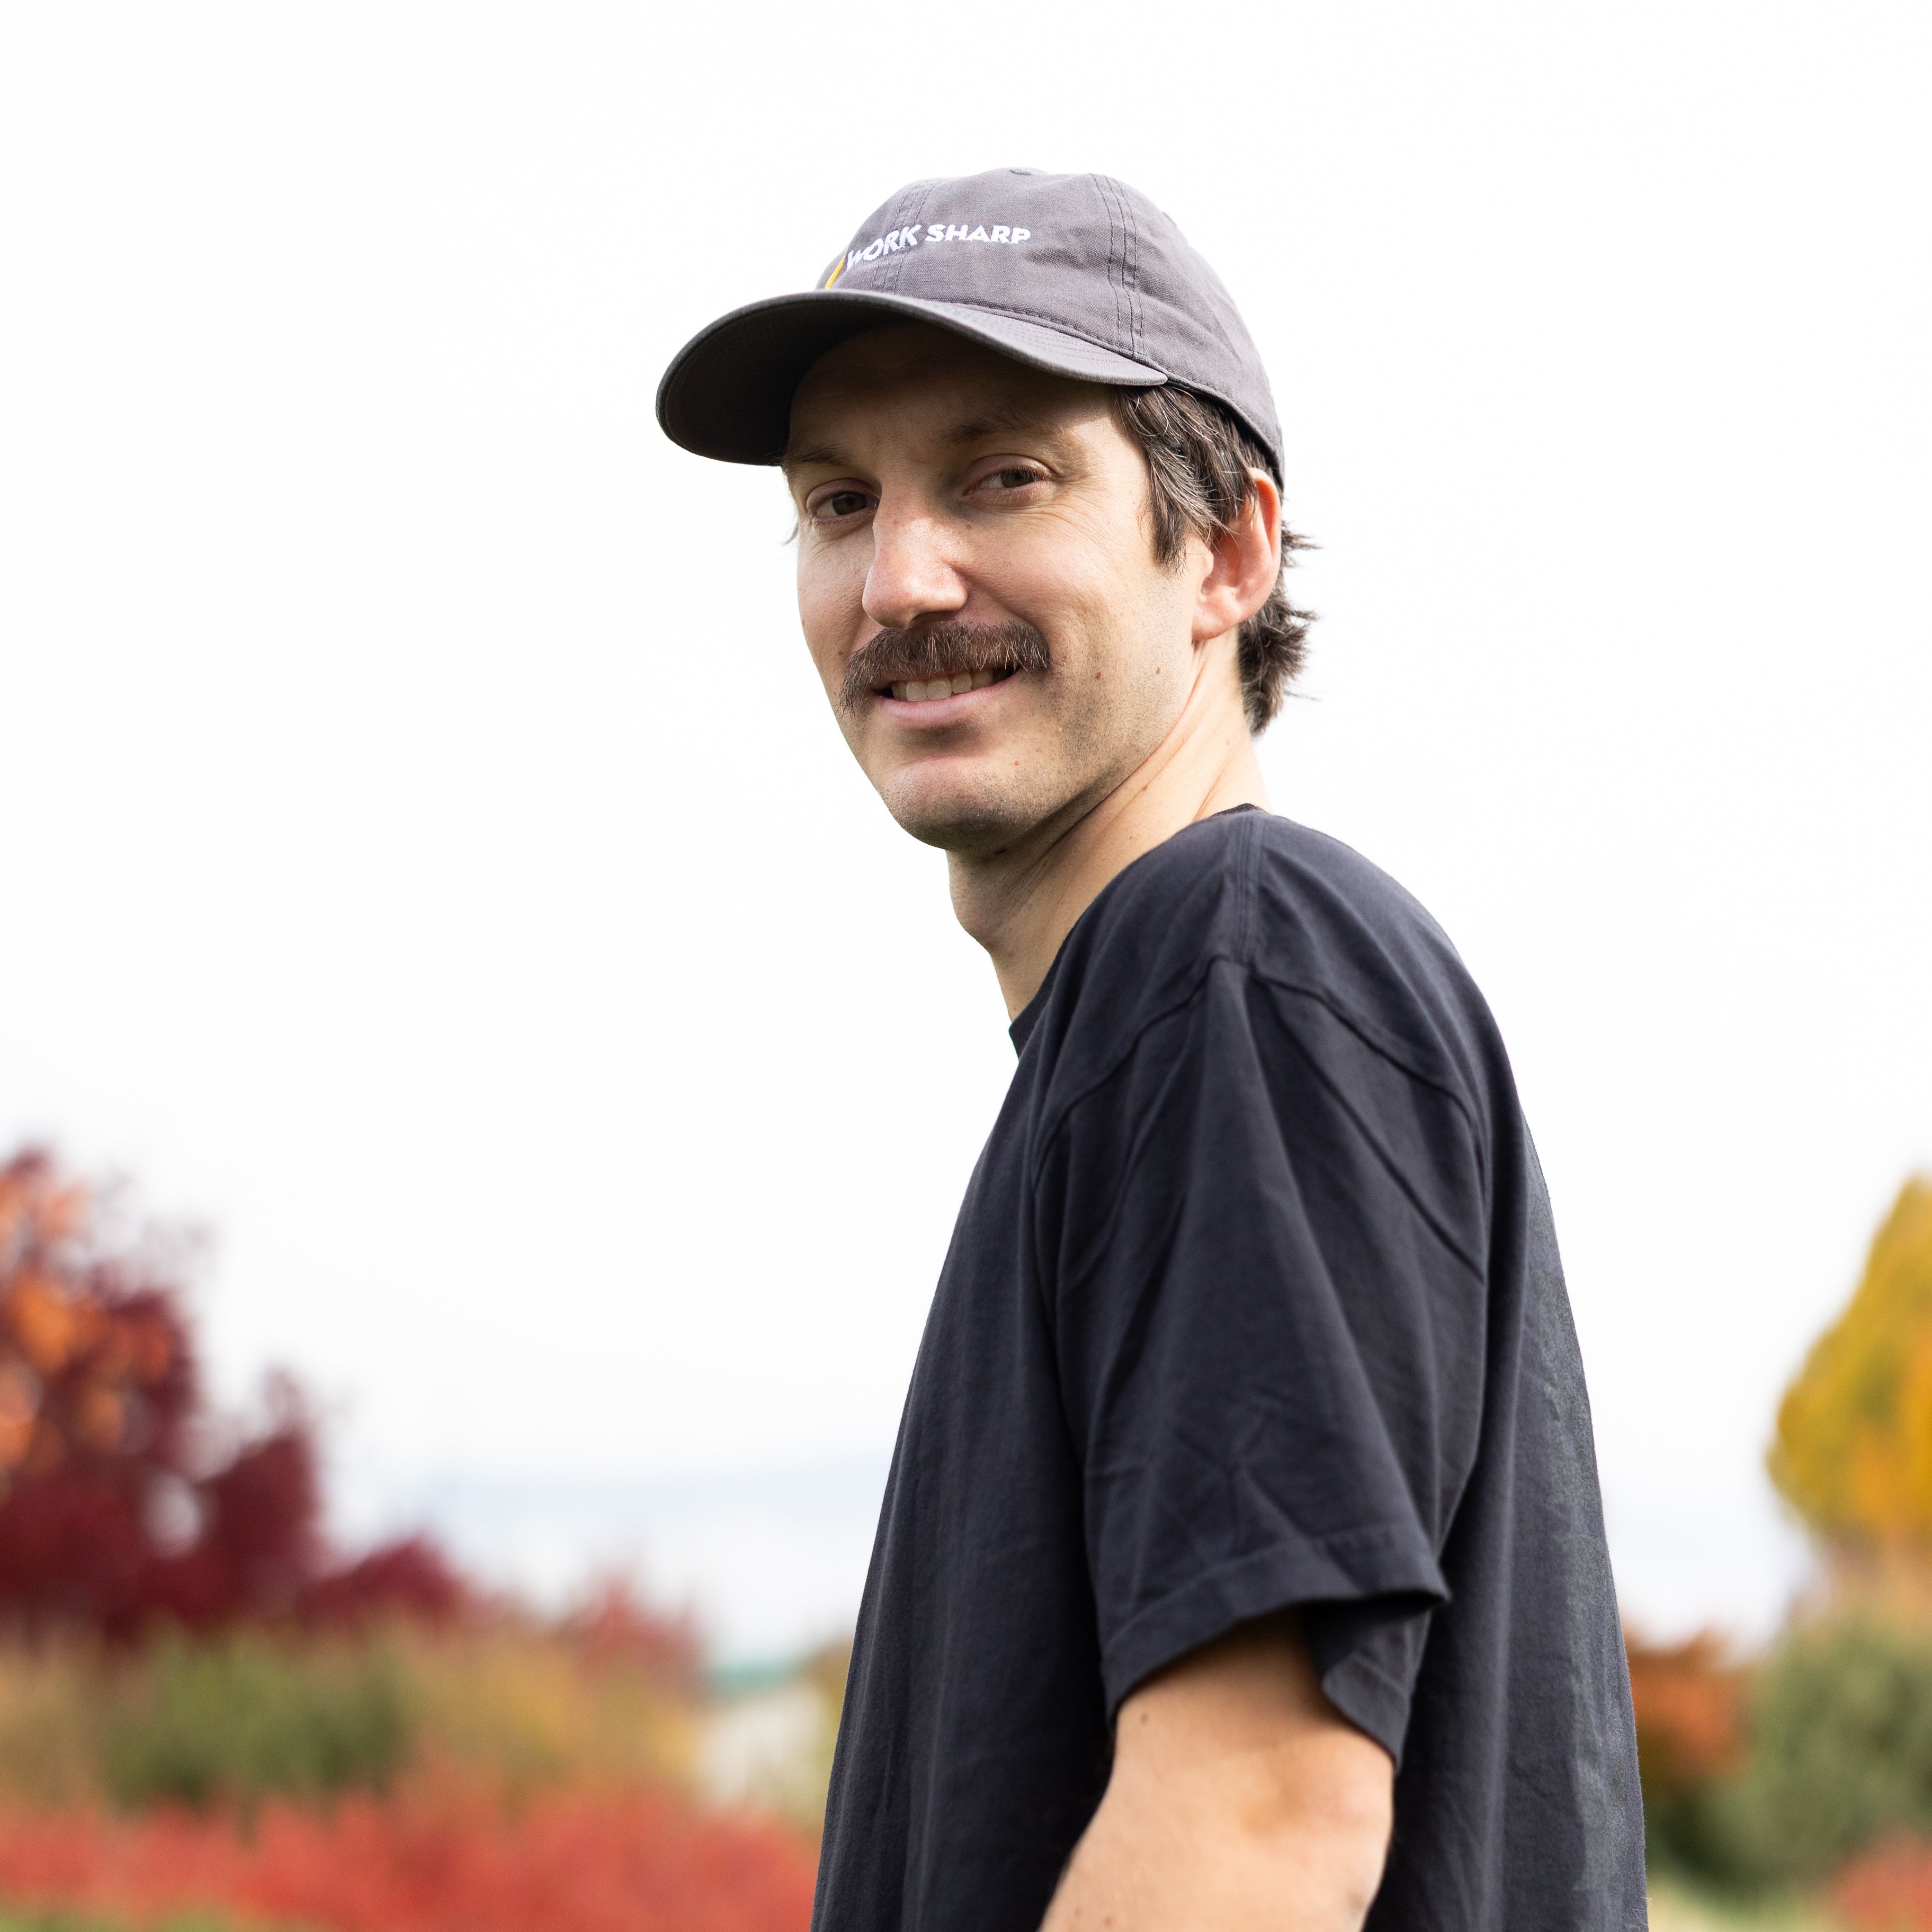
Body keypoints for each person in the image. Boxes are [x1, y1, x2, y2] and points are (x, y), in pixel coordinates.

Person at [657, 168, 1646, 1931]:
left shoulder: (1237, 969)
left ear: (1231, 551)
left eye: (1001, 476)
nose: (898, 579)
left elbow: (1262, 1814)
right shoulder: (1152, 1029)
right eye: (838, 502)